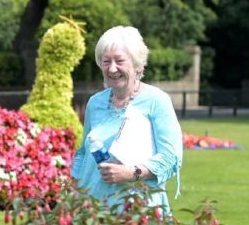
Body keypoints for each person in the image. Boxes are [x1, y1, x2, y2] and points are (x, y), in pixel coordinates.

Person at [72, 25, 183, 214]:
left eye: (119, 61)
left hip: (138, 210)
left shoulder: (157, 101)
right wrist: (73, 190)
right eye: (106, 61)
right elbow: (83, 152)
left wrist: (131, 173)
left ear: (138, 65)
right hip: (91, 210)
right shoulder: (95, 103)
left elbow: (171, 157)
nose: (112, 68)